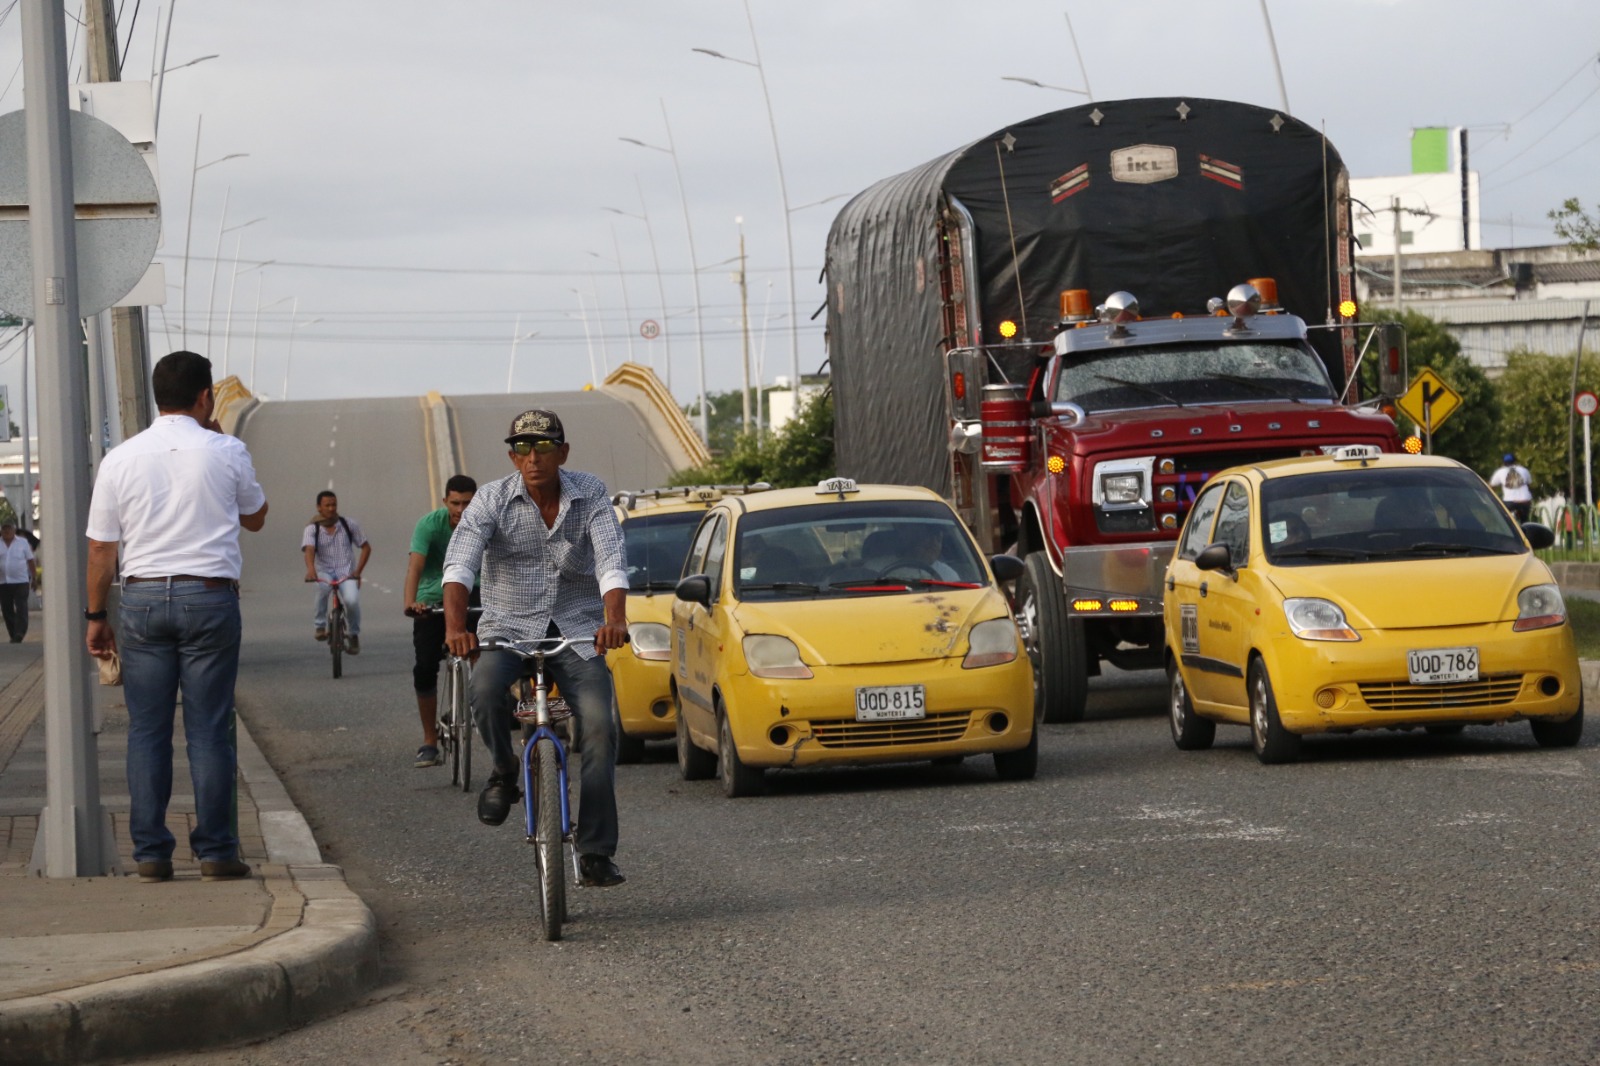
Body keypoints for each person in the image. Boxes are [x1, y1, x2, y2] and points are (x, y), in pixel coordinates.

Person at [84, 350, 268, 884]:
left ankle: (151, 854)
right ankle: (216, 852)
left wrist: (96, 615)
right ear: (206, 397)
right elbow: (256, 517)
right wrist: (218, 439)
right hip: (209, 597)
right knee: (208, 730)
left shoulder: (120, 458)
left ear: (158, 396)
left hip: (141, 600)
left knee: (147, 731)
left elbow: (101, 550)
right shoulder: (226, 450)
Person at [442, 409, 629, 888]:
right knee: (484, 690)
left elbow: (610, 560)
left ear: (562, 452)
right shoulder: (492, 499)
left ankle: (595, 851)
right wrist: (457, 627)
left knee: (600, 727)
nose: (533, 458)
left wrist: (614, 620)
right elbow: (460, 564)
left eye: (543, 448)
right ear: (512, 456)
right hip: (507, 626)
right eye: (522, 449)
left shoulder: (590, 493)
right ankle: (504, 771)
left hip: (576, 628)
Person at [403, 474, 478, 769]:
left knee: (494, 655)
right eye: (455, 503)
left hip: (475, 593)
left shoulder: (484, 523)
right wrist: (410, 602)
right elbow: (415, 567)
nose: (461, 510)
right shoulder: (429, 525)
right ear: (445, 501)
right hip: (433, 599)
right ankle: (429, 740)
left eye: (467, 504)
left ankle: (477, 703)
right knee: (424, 667)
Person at [301, 490, 370, 653]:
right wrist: (311, 570)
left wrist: (358, 571)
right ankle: (320, 626)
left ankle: (353, 634)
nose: (331, 508)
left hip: (346, 572)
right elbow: (309, 550)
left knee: (352, 600)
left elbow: (366, 547)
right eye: (327, 505)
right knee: (322, 590)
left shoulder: (348, 524)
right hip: (324, 571)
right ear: (319, 507)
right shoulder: (312, 528)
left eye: (334, 505)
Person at [0, 521, 36, 642]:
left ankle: (20, 633)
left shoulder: (23, 542)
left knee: (21, 607)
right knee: (6, 609)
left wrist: (34, 578)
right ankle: (13, 633)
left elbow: (30, 561)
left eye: (9, 529)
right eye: (4, 529)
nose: (6, 531)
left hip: (21, 581)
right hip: (3, 582)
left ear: (14, 530)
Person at [1489, 452, 1533, 523]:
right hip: (1525, 500)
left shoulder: (1500, 472)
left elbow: (1492, 486)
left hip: (1509, 501)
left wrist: (1493, 497)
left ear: (1504, 462)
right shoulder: (1524, 470)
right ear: (1515, 461)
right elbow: (1529, 484)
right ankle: (1524, 526)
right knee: (1525, 521)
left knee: (1504, 520)